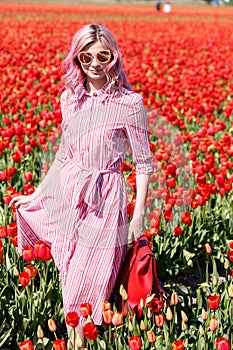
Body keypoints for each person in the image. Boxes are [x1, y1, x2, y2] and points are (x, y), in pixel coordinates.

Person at [9, 23, 154, 348]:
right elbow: (64, 154)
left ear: (114, 56)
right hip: (69, 196)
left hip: (106, 200)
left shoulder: (130, 104)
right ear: (77, 57)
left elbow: (143, 163)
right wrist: (37, 194)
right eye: (86, 55)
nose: (95, 62)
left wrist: (139, 214)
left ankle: (79, 343)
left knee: (88, 286)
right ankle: (76, 342)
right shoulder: (70, 99)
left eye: (103, 54)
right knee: (71, 282)